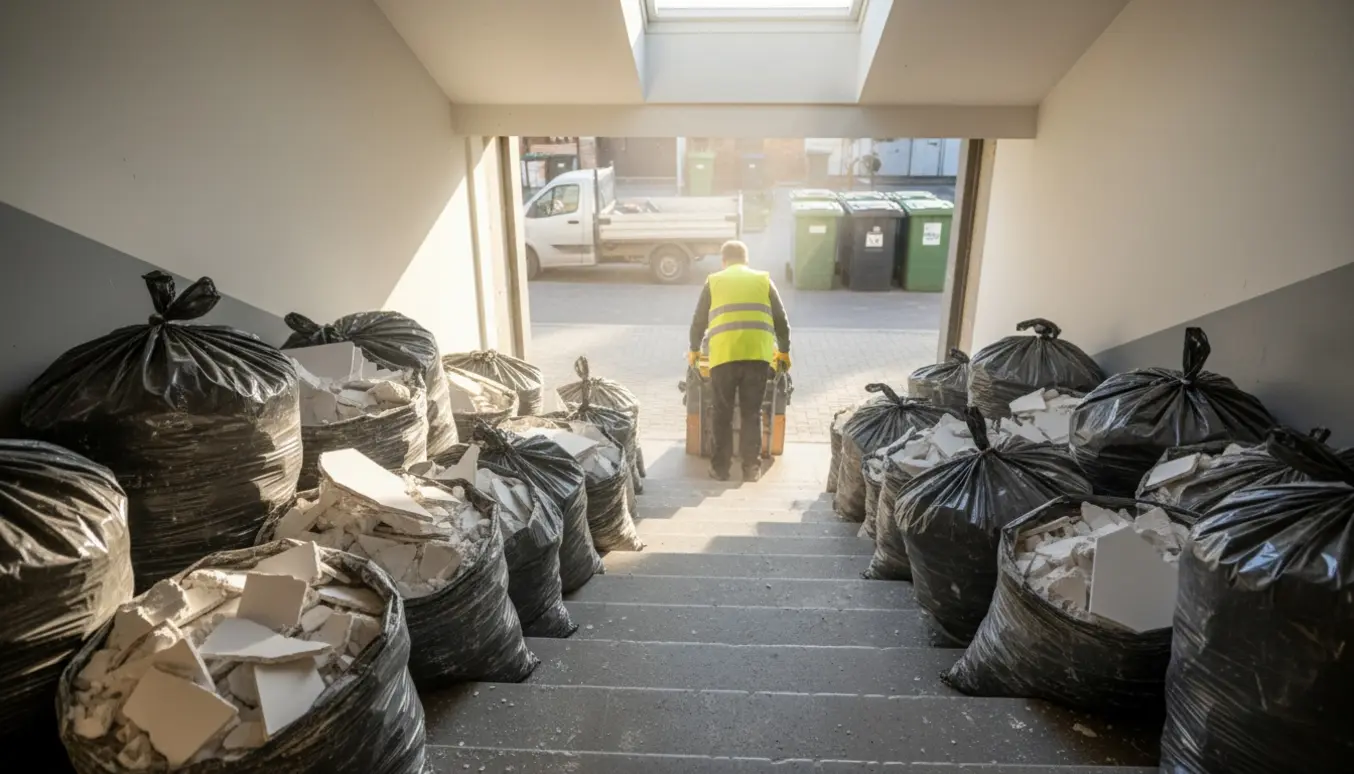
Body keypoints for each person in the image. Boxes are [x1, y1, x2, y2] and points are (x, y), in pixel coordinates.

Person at [688, 240, 791, 482]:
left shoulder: (714, 281)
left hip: (723, 357)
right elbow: (781, 320)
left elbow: (698, 320)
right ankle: (750, 469)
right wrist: (784, 351)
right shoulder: (763, 280)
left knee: (722, 413)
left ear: (724, 261)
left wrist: (694, 349)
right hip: (758, 357)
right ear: (746, 260)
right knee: (751, 414)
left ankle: (720, 469)